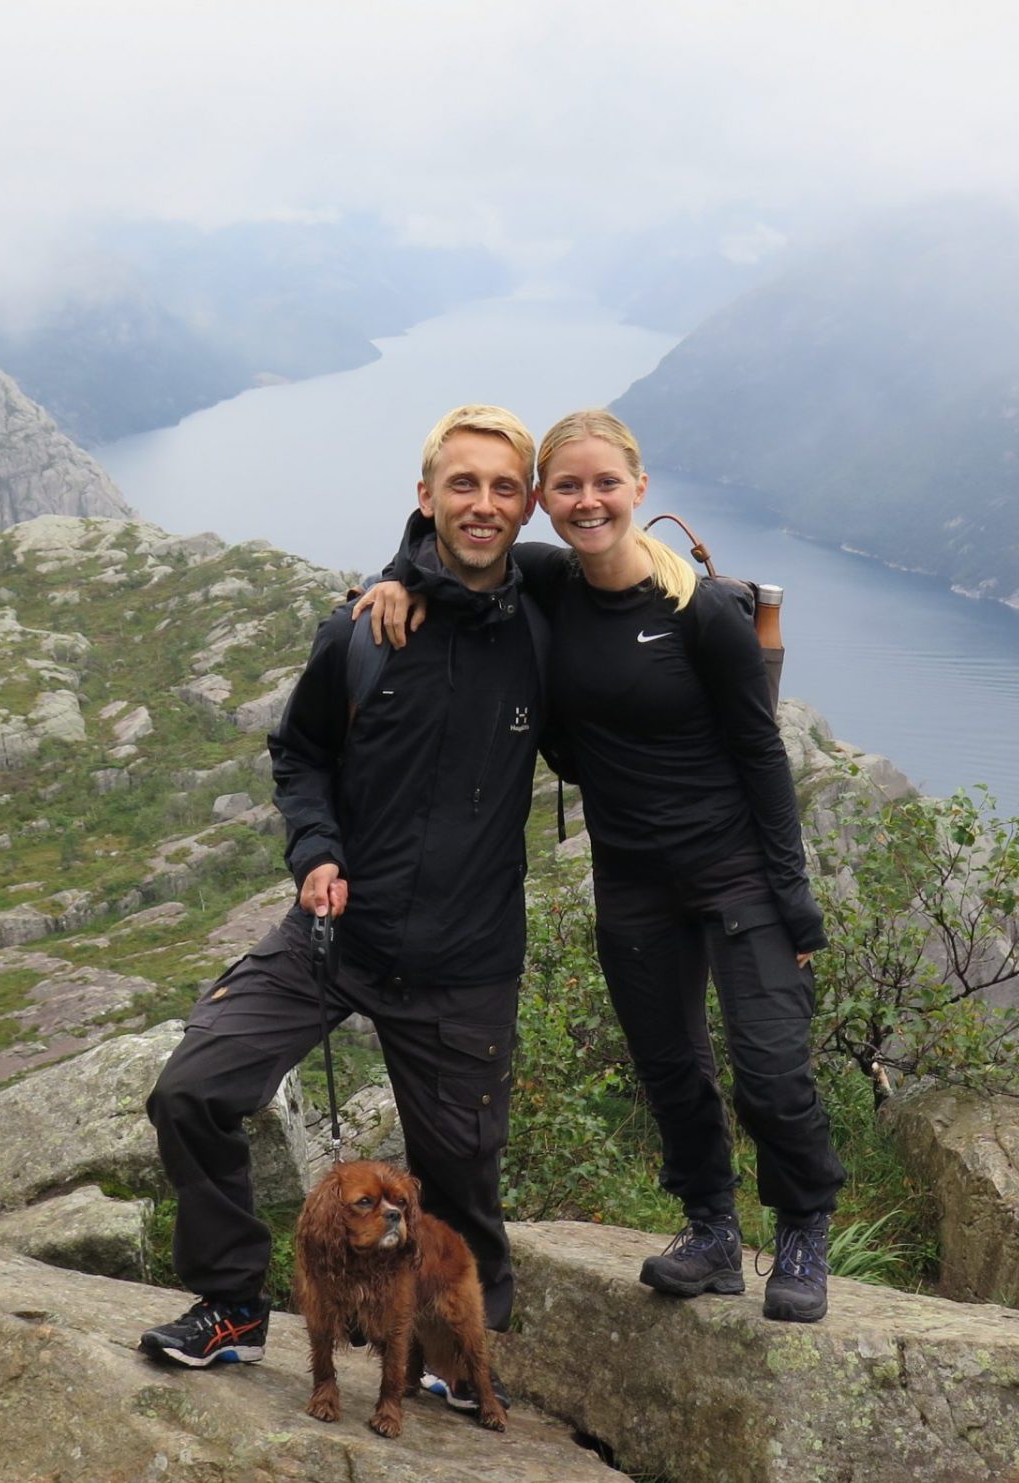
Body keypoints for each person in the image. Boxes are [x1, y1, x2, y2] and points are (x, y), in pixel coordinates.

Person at [359, 409, 844, 1322]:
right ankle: (710, 1230)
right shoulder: (546, 581)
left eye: (605, 483)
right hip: (631, 878)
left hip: (736, 873)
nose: (588, 502)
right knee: (670, 1067)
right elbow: (449, 542)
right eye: (567, 487)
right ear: (544, 501)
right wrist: (394, 579)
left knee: (773, 1071)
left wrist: (795, 898)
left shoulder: (702, 614)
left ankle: (801, 1231)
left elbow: (763, 758)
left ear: (639, 488)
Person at [138, 405, 545, 1405]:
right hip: (337, 935)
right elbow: (301, 750)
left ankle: (453, 1351)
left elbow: (631, 626)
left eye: (503, 487)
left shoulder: (549, 626)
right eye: (463, 484)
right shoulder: (364, 627)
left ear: (528, 502)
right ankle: (233, 1305)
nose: (483, 504)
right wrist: (315, 850)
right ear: (426, 496)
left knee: (460, 1183)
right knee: (192, 1089)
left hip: (464, 962)